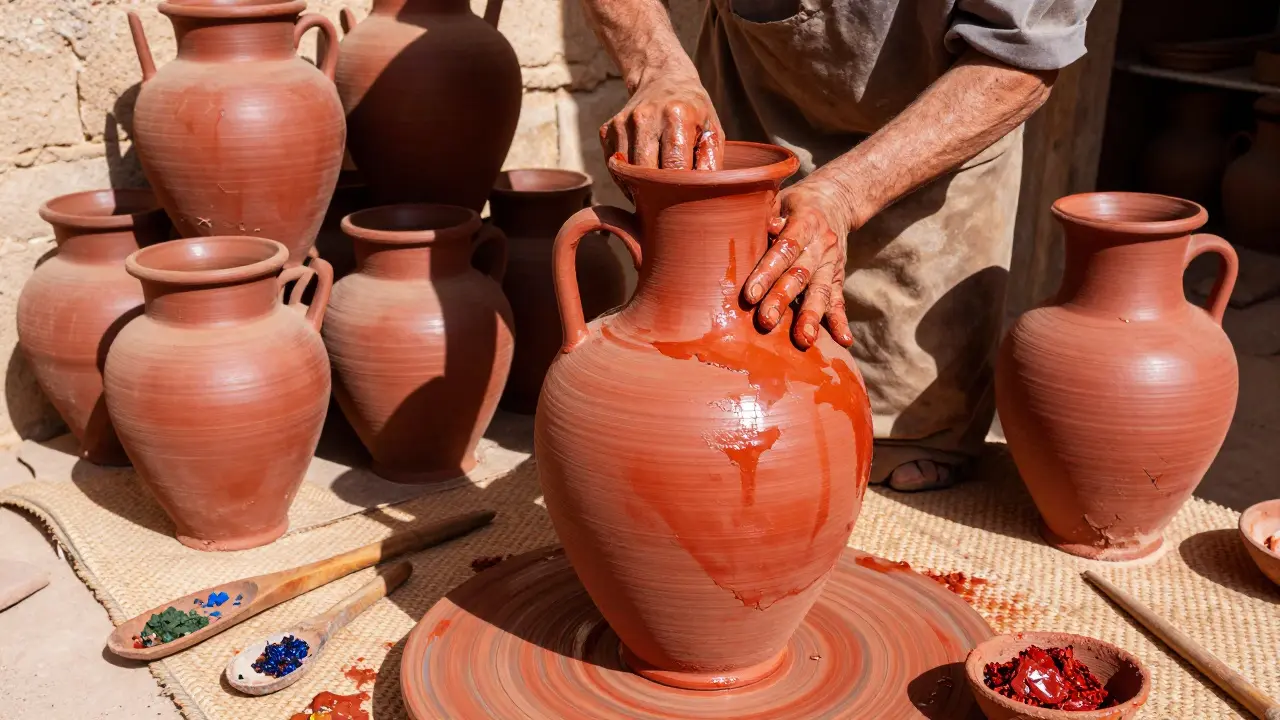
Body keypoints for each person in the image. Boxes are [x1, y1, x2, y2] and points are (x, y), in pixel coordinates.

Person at [581, 0, 1095, 491]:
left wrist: (843, 193)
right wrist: (657, 67)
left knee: (897, 441)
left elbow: (1020, 55)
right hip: (753, 95)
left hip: (938, 143)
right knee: (701, 429)